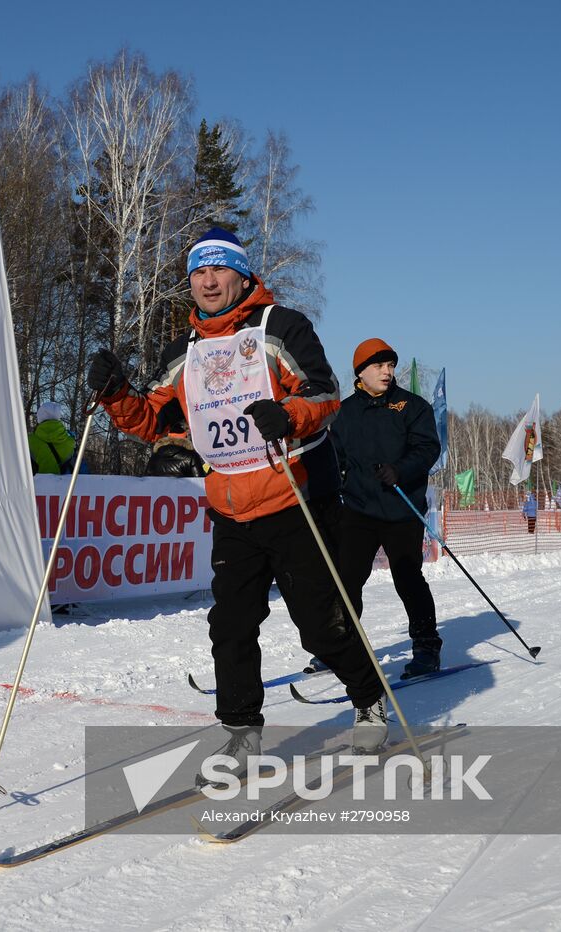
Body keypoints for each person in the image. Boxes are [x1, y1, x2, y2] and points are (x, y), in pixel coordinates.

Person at [88, 227, 387, 761]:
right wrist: (114, 395)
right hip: (229, 506)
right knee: (230, 625)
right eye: (198, 272)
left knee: (322, 626)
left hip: (295, 498)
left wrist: (287, 414)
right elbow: (154, 419)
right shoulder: (185, 351)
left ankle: (369, 701)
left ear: (242, 275)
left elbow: (323, 391)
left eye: (218, 269)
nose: (207, 281)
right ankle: (242, 731)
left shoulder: (281, 327)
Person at [329, 339, 444, 679]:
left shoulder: (412, 406)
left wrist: (401, 469)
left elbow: (427, 448)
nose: (387, 371)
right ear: (360, 372)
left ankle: (426, 647)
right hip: (359, 510)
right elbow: (333, 456)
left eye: (390, 365)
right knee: (347, 578)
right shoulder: (345, 412)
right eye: (378, 366)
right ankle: (341, 646)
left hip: (401, 509)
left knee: (407, 577)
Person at [28, 402, 78, 474]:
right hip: (67, 484)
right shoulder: (71, 441)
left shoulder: (29, 441)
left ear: (40, 417)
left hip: (37, 484)